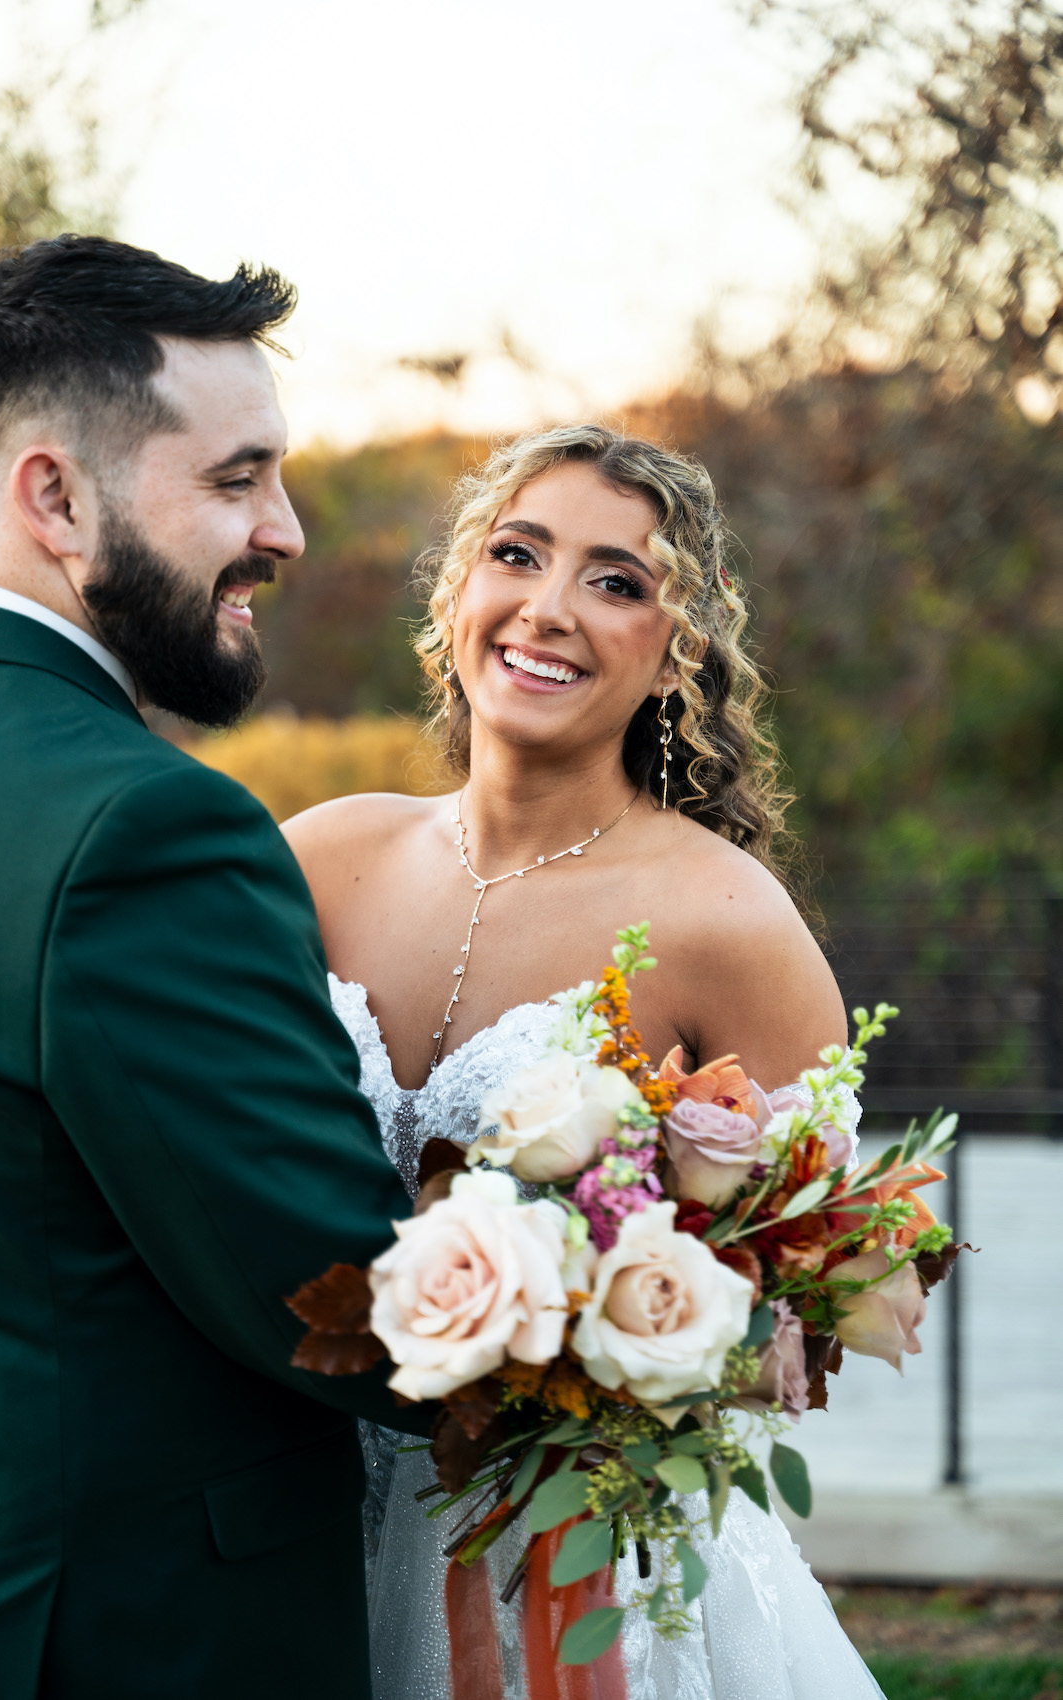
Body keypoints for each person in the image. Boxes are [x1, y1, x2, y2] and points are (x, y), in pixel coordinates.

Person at [283, 424, 886, 1699]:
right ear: (457, 594)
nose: (550, 608)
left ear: (679, 653)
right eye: (518, 554)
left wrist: (603, 1327)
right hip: (299, 1521)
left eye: (617, 581)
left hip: (587, 1569)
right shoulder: (315, 858)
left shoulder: (728, 919)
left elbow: (805, 1297)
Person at [0, 234, 431, 1700]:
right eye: (234, 479)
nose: (282, 531)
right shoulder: (143, 827)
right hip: (125, 1639)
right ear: (56, 497)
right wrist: (673, 1303)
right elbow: (335, 1298)